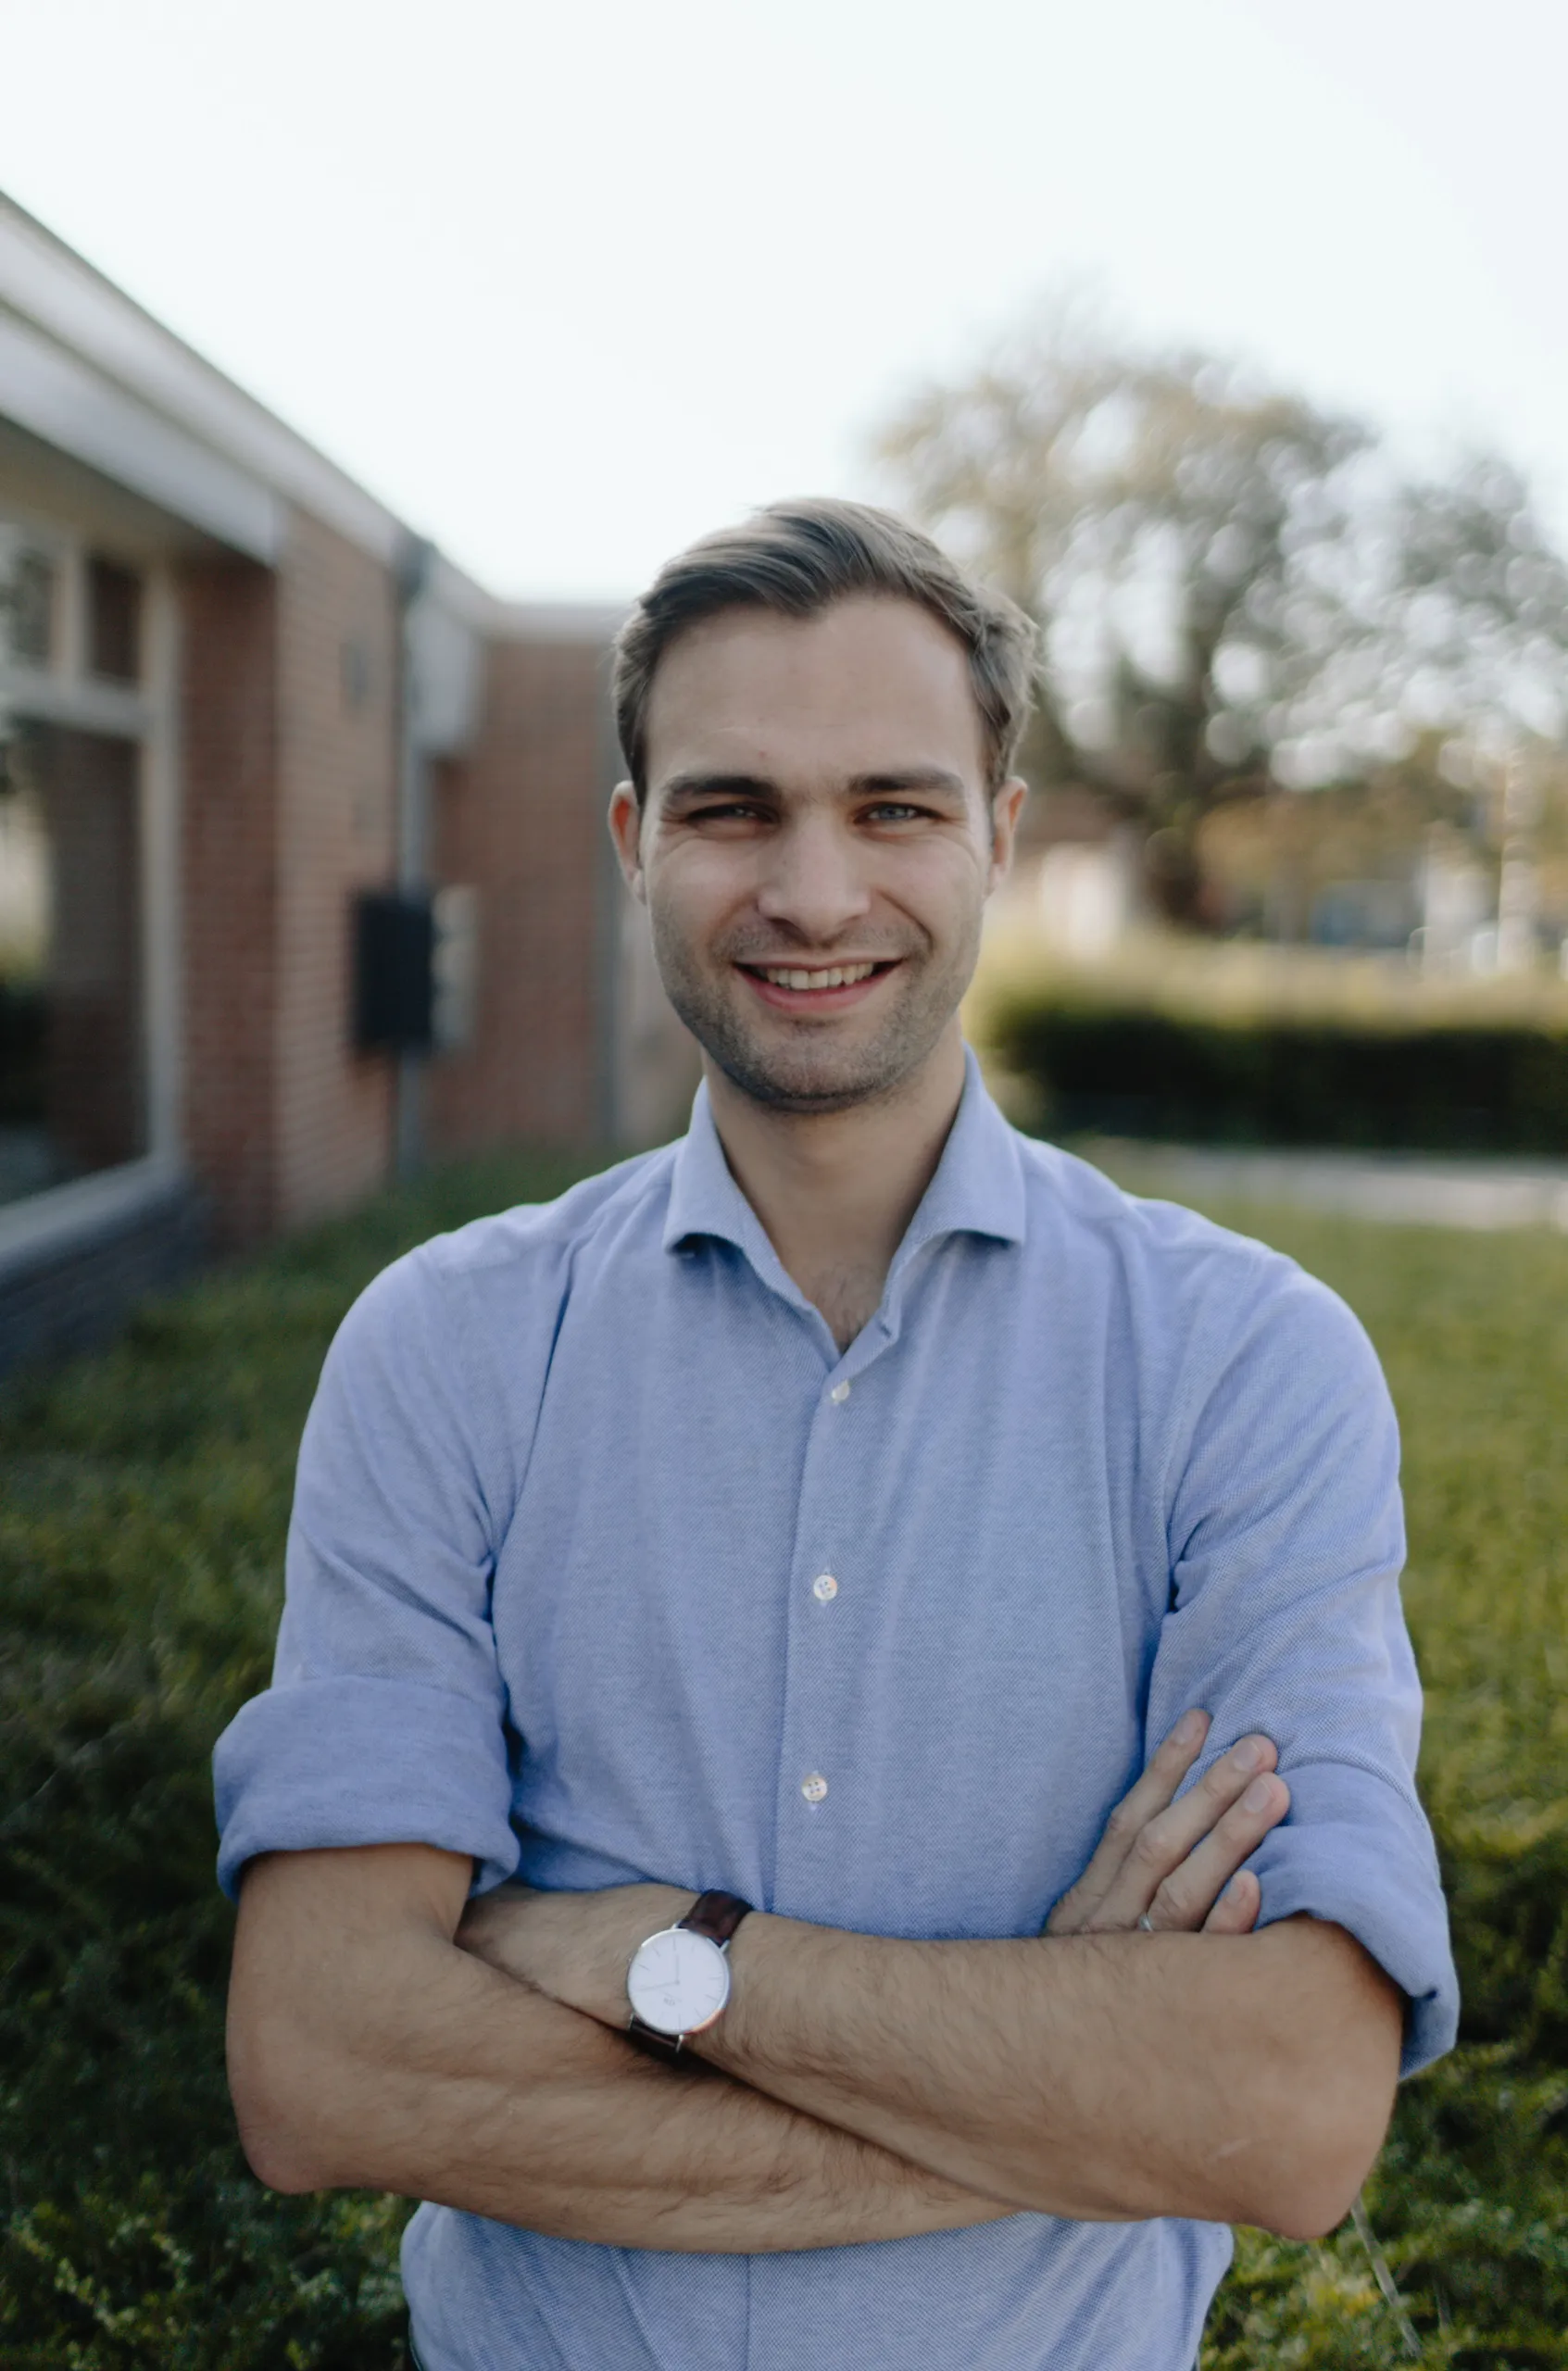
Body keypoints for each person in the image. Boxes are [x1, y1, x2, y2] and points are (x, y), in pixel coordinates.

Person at [216, 498, 1457, 2371]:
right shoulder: (450, 1349)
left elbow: (1282, 2107)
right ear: (635, 846)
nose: (811, 891)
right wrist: (1065, 2075)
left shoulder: (1244, 1365)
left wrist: (656, 1948)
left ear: (1000, 839)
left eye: (893, 805)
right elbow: (320, 2063)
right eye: (733, 809)